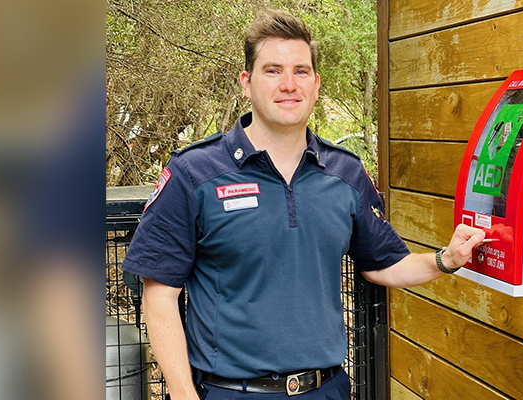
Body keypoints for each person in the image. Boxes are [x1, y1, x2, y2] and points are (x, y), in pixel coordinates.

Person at [121, 9, 485, 400]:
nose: (288, 84)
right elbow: (160, 296)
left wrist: (446, 258)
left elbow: (383, 264)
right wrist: (182, 394)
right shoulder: (195, 173)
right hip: (231, 391)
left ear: (316, 84)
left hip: (325, 389)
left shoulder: (344, 174)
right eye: (273, 70)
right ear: (246, 82)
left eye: (300, 71)